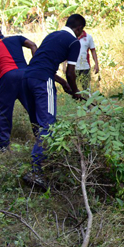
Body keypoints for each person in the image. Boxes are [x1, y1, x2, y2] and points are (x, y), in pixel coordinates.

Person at [21, 14, 86, 190]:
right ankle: (38, 171)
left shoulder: (51, 35)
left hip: (27, 78)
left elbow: (41, 63)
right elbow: (70, 72)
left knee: (37, 123)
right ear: (78, 29)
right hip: (43, 81)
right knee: (48, 125)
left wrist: (64, 84)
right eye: (81, 32)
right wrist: (77, 92)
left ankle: (45, 162)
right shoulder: (74, 42)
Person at [0, 27, 37, 152]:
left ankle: (3, 144)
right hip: (26, 74)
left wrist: (7, 79)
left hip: (8, 76)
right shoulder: (17, 38)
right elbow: (33, 45)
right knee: (33, 108)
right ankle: (42, 138)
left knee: (3, 111)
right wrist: (34, 66)